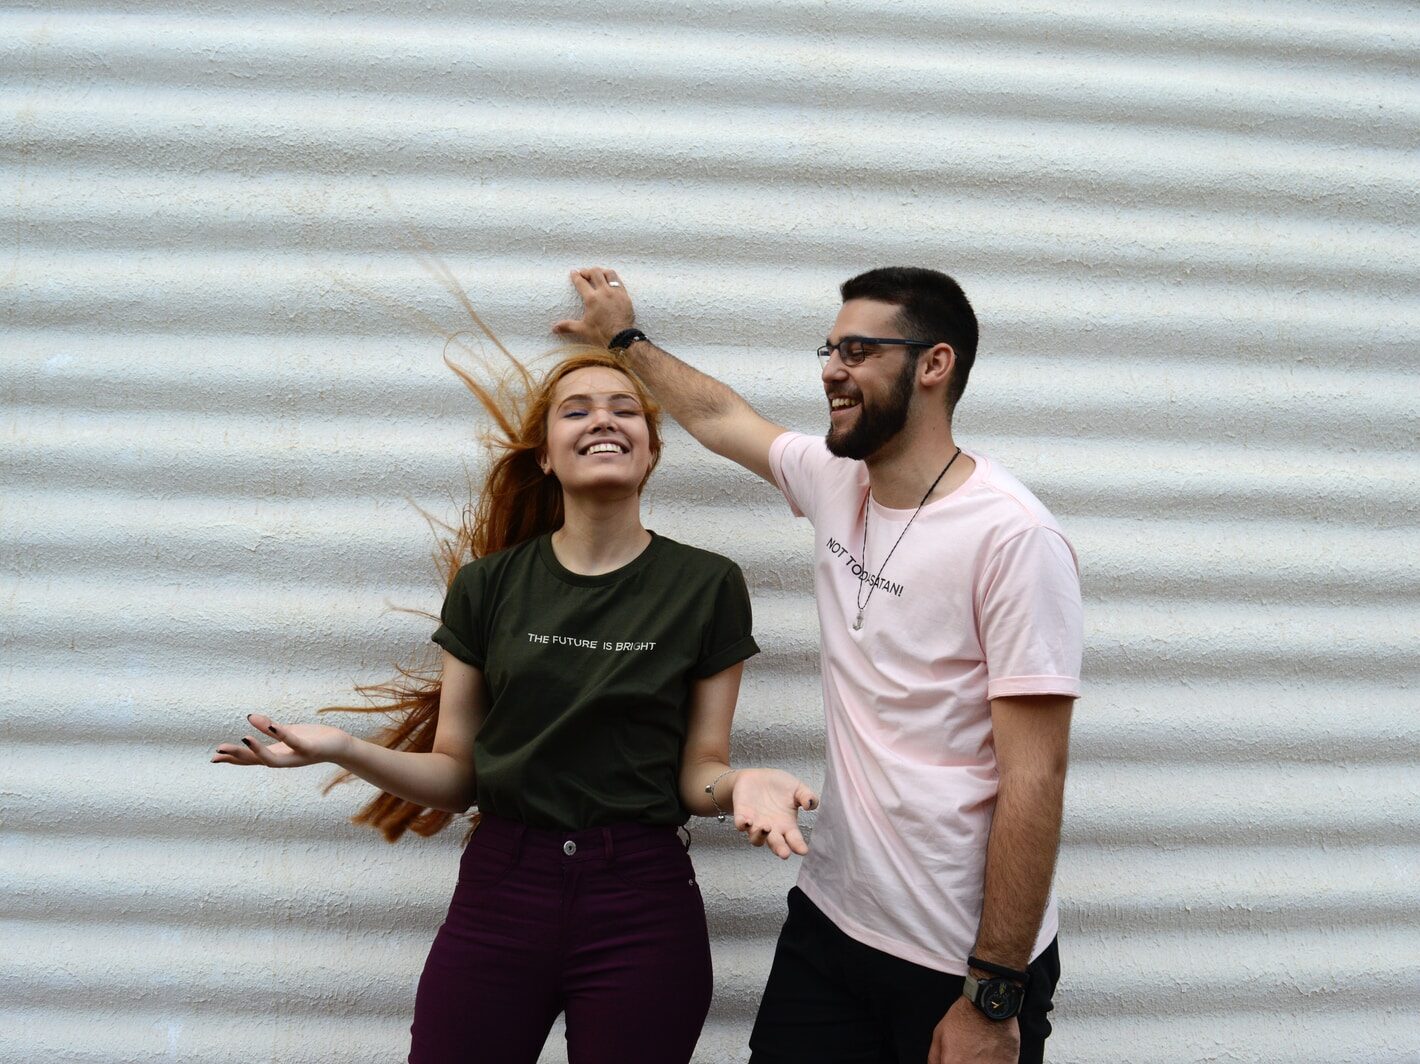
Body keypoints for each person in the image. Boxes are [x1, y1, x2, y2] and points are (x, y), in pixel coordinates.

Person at [212, 336, 819, 1064]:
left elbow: (700, 771)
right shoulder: (487, 586)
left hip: (641, 900)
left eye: (626, 410)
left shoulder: (706, 584)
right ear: (544, 454)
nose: (604, 420)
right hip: (502, 892)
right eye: (577, 411)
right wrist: (342, 748)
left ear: (652, 451)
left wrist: (742, 784)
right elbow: (456, 777)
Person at [553, 266, 1083, 1064]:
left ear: (933, 365)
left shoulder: (1013, 538)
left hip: (957, 961)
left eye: (860, 350)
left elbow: (1036, 777)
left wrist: (995, 991)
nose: (831, 368)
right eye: (830, 348)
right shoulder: (837, 480)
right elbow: (719, 414)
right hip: (832, 922)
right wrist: (625, 342)